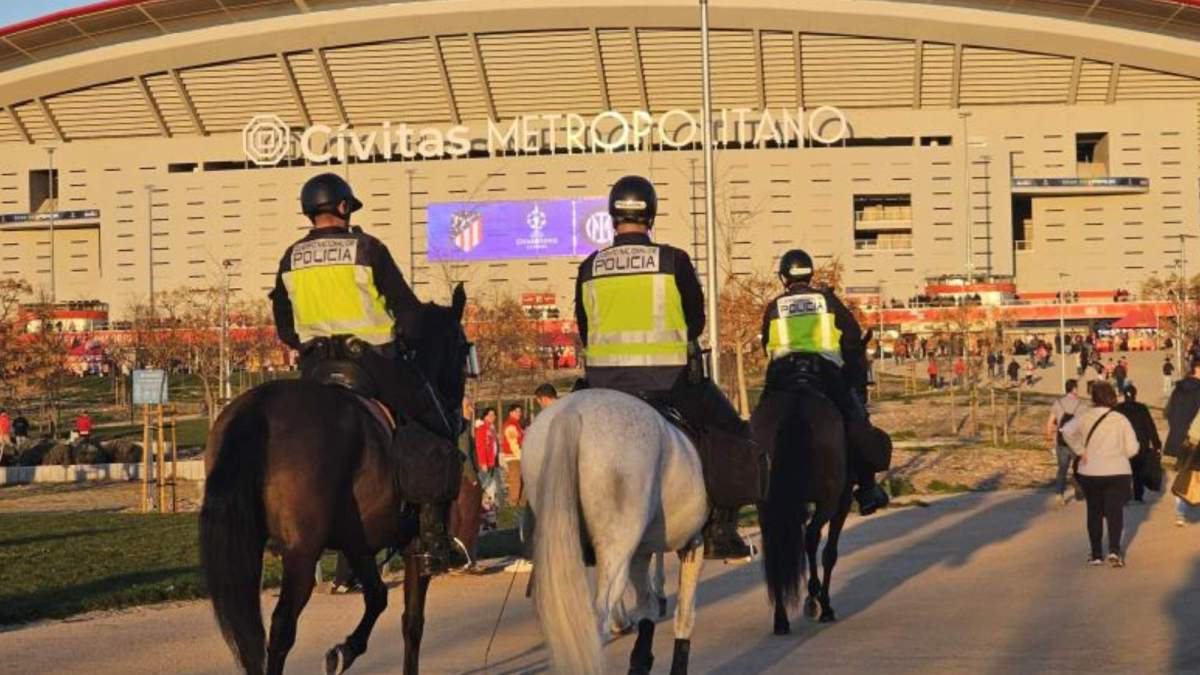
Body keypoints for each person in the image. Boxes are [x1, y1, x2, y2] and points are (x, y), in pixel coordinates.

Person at [269, 173, 458, 575]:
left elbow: (283, 322)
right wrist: (404, 338)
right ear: (342, 207)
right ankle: (432, 536)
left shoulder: (291, 256)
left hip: (317, 367)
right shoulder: (366, 248)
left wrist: (306, 342)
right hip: (371, 363)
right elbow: (407, 310)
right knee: (434, 425)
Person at [574, 174, 757, 559]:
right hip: (668, 382)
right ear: (651, 215)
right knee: (733, 434)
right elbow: (696, 322)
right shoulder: (673, 261)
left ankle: (560, 530)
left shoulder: (591, 266)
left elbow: (585, 329)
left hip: (603, 388)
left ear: (612, 217)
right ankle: (721, 529)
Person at [760, 248, 892, 516]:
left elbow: (766, 345)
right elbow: (853, 337)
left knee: (760, 424)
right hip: (825, 374)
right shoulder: (827, 301)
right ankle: (867, 488)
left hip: (783, 375)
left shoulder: (774, 307)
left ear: (783, 277)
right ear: (810, 274)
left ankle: (754, 484)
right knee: (856, 421)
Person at [1062, 381, 1138, 567]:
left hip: (1091, 471)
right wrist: (1121, 456)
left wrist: (1080, 451)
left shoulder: (1085, 416)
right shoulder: (1121, 419)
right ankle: (1114, 550)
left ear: (1094, 397)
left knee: (1094, 511)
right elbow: (1133, 448)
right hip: (1118, 471)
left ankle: (1096, 554)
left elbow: (1066, 431)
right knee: (1115, 512)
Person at [1164, 356, 1200, 527]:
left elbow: (1168, 413)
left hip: (1177, 437)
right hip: (1196, 438)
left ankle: (1180, 513)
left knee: (1182, 474)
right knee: (1193, 474)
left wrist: (1178, 429)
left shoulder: (1177, 389)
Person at [1114, 385, 1161, 504]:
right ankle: (1138, 496)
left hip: (1122, 444)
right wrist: (1156, 443)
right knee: (1138, 471)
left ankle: (1124, 496)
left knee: (1123, 471)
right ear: (1135, 394)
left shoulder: (1118, 409)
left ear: (1124, 395)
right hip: (1140, 445)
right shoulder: (1142, 408)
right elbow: (1150, 426)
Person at [1046, 379, 1088, 506]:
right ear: (1074, 389)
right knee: (1079, 468)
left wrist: (1048, 437)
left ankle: (1059, 495)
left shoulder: (1058, 403)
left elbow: (1049, 423)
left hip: (1061, 441)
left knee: (1062, 469)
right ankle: (1079, 490)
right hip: (1077, 442)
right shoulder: (1082, 405)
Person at [500, 404, 525, 507]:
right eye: (516, 411)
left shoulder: (516, 424)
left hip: (517, 456)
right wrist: (522, 457)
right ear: (510, 413)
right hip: (514, 457)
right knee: (516, 481)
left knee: (521, 480)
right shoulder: (511, 425)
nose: (519, 413)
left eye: (520, 411)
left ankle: (521, 503)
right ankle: (513, 503)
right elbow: (513, 443)